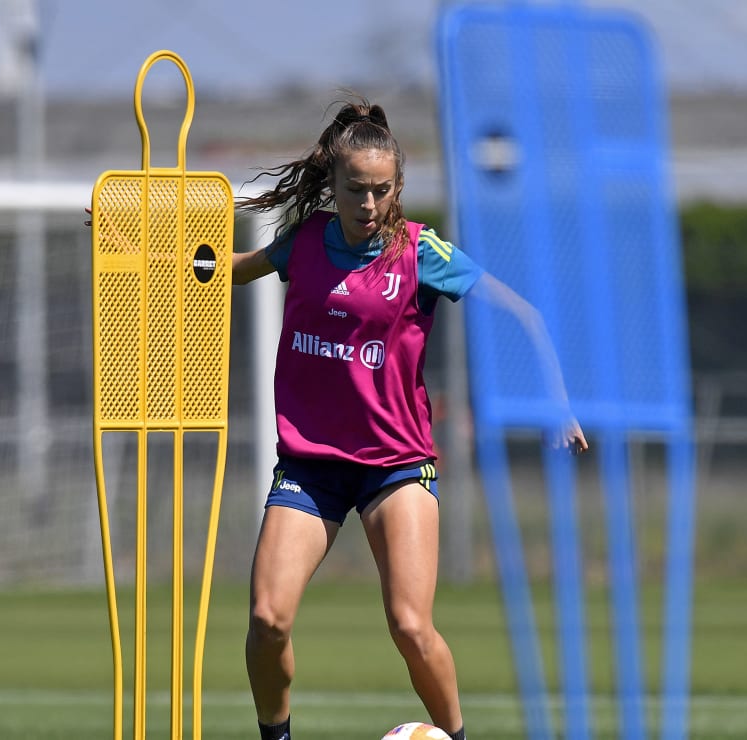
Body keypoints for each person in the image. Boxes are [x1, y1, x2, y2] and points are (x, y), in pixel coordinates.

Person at [232, 98, 587, 740]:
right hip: (310, 467)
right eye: (354, 190)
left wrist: (556, 401)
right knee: (267, 620)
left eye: (380, 192)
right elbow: (223, 273)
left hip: (395, 467)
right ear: (332, 184)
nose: (367, 205)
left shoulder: (420, 252)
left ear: (398, 188)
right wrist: (133, 238)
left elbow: (522, 315)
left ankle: (452, 737)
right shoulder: (306, 242)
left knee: (411, 625)